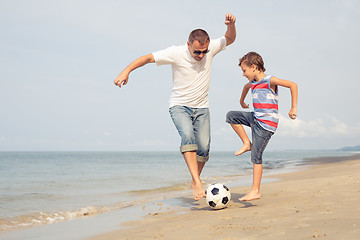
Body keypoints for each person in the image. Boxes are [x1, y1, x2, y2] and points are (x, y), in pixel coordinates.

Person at [114, 14, 236, 200]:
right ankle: (197, 181)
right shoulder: (176, 52)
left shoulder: (210, 50)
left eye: (204, 51)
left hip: (202, 107)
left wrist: (231, 25)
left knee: (204, 148)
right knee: (187, 136)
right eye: (197, 52)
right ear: (188, 45)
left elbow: (229, 38)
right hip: (179, 106)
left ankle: (195, 179)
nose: (201, 55)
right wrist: (126, 70)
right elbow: (147, 58)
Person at [226, 51, 298, 201]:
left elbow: (293, 85)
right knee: (231, 116)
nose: (243, 74)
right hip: (255, 118)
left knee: (256, 156)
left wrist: (293, 107)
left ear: (253, 67)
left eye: (244, 70)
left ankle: (255, 191)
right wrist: (241, 102)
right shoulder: (252, 83)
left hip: (265, 125)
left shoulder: (270, 80)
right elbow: (246, 88)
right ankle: (246, 143)